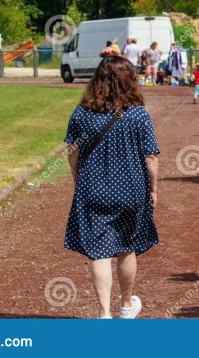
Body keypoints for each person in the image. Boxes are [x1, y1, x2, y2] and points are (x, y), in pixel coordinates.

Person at [64, 55, 159, 319]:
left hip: (93, 189)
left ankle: (103, 313)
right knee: (126, 248)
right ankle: (127, 305)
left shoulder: (82, 112)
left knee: (98, 252)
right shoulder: (139, 114)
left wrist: (77, 178)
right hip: (131, 191)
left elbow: (72, 150)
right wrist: (153, 189)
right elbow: (150, 158)